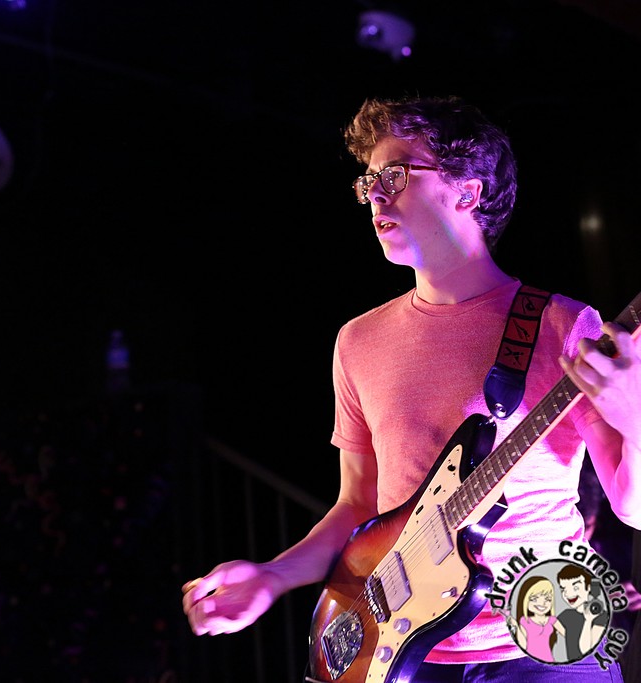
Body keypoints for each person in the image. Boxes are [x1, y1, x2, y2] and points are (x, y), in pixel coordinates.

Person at [181, 95, 641, 682]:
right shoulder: (358, 341)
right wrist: (273, 576)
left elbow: (632, 506)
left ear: (467, 192)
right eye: (368, 181)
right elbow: (359, 507)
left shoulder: (562, 325)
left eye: (394, 175)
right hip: (407, 652)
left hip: (548, 645)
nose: (374, 194)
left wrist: (635, 415)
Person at [556, 565, 609, 662]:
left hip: (590, 666)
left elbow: (586, 650)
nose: (568, 593)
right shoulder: (566, 615)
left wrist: (588, 620)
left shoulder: (600, 616)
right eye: (563, 589)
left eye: (575, 587)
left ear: (588, 587)